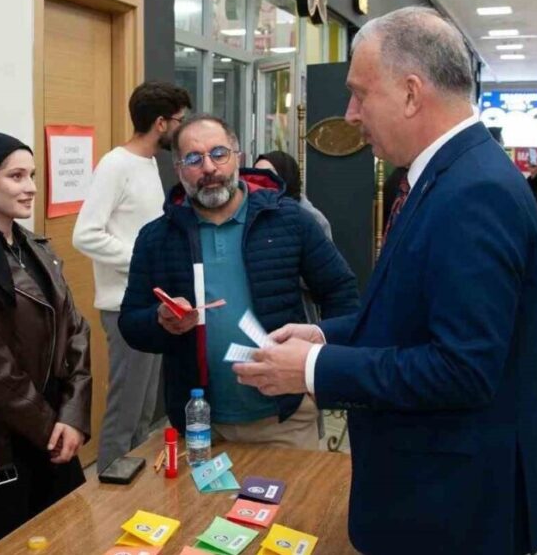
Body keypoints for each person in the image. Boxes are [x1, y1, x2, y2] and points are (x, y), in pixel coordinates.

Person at [233, 7, 537, 554]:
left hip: (459, 507)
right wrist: (326, 337)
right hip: (437, 492)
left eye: (361, 93)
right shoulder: (443, 178)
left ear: (411, 93)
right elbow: (411, 314)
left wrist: (314, 369)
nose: (351, 114)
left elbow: (462, 369)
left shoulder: (474, 192)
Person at [119, 115, 359, 449]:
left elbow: (342, 294)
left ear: (238, 158)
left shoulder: (289, 220)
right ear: (178, 169)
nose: (208, 167)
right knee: (201, 505)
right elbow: (130, 323)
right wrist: (160, 322)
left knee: (292, 503)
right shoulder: (156, 238)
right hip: (200, 425)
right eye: (193, 158)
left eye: (219, 154)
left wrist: (318, 364)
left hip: (283, 419)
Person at [0, 132, 91, 551]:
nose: (30, 187)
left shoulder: (35, 246)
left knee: (73, 536)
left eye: (32, 175)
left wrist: (75, 413)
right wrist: (52, 429)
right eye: (16, 176)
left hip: (56, 424)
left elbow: (77, 330)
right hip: (10, 439)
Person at [72, 81, 191, 472]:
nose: (183, 127)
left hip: (152, 306)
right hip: (124, 307)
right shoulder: (115, 164)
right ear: (161, 123)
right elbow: (85, 234)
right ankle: (109, 491)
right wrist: (142, 261)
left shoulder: (148, 164)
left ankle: (135, 496)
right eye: (179, 120)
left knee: (142, 414)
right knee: (124, 414)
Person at [254, 151, 331, 239]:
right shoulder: (250, 214)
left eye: (269, 174)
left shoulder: (313, 219)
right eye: (256, 174)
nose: (260, 180)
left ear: (286, 176)